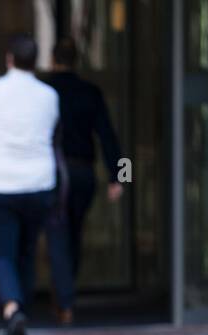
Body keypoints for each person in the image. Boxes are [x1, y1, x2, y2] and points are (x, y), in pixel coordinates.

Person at [0, 34, 73, 335]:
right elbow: (51, 131)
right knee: (26, 252)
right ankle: (22, 310)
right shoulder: (49, 95)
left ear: (9, 59)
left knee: (1, 253)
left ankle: (12, 310)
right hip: (39, 185)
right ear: (35, 61)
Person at [45, 36, 124, 292]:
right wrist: (116, 175)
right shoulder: (90, 92)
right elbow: (107, 134)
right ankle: (68, 286)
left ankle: (62, 292)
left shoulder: (44, 92)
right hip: (82, 171)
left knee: (56, 231)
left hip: (51, 172)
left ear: (52, 60)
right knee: (75, 230)